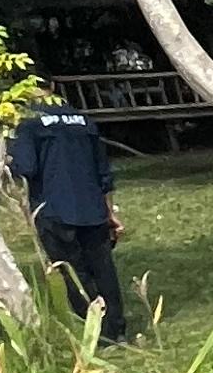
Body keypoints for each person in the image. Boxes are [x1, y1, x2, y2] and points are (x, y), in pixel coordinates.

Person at [10, 93, 126, 340]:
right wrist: (109, 211)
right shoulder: (83, 120)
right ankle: (117, 329)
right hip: (92, 208)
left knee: (72, 272)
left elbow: (26, 167)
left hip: (54, 209)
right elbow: (103, 171)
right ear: (52, 86)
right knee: (104, 270)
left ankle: (93, 330)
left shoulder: (28, 122)